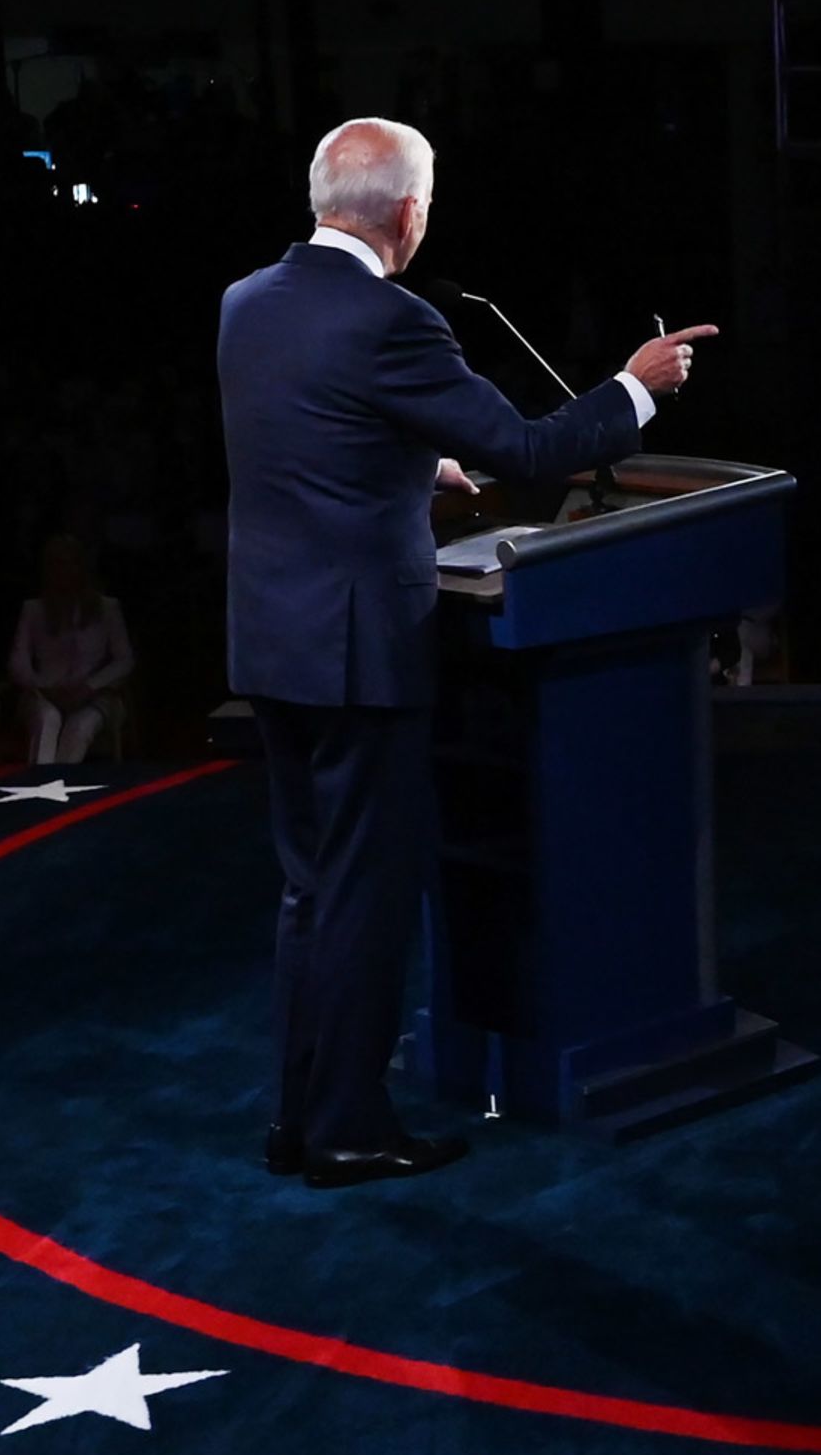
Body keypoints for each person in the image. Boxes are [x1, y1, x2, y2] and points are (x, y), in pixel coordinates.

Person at [218, 117, 716, 1188]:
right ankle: (348, 1129)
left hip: (273, 642)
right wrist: (636, 386)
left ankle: (297, 1115)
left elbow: (311, 442)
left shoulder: (247, 305)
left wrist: (410, 466)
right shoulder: (393, 321)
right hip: (359, 653)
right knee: (369, 891)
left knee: (311, 889)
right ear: (409, 212)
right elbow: (534, 449)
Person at [9, 535, 135, 763]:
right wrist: (45, 687)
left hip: (95, 696)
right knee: (47, 719)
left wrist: (89, 686)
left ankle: (62, 787)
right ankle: (40, 785)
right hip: (44, 694)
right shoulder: (34, 610)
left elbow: (124, 660)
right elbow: (18, 662)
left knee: (80, 726)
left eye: (69, 563)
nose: (64, 571)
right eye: (57, 564)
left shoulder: (107, 609)